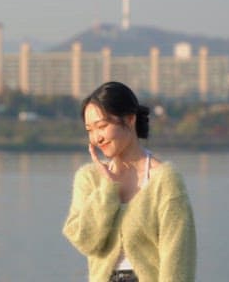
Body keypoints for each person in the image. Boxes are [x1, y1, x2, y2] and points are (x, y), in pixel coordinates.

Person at [62, 81, 196, 282]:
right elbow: (85, 240)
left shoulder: (165, 181)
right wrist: (107, 189)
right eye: (90, 130)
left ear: (130, 119)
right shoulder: (89, 179)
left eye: (102, 126)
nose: (96, 138)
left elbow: (178, 260)